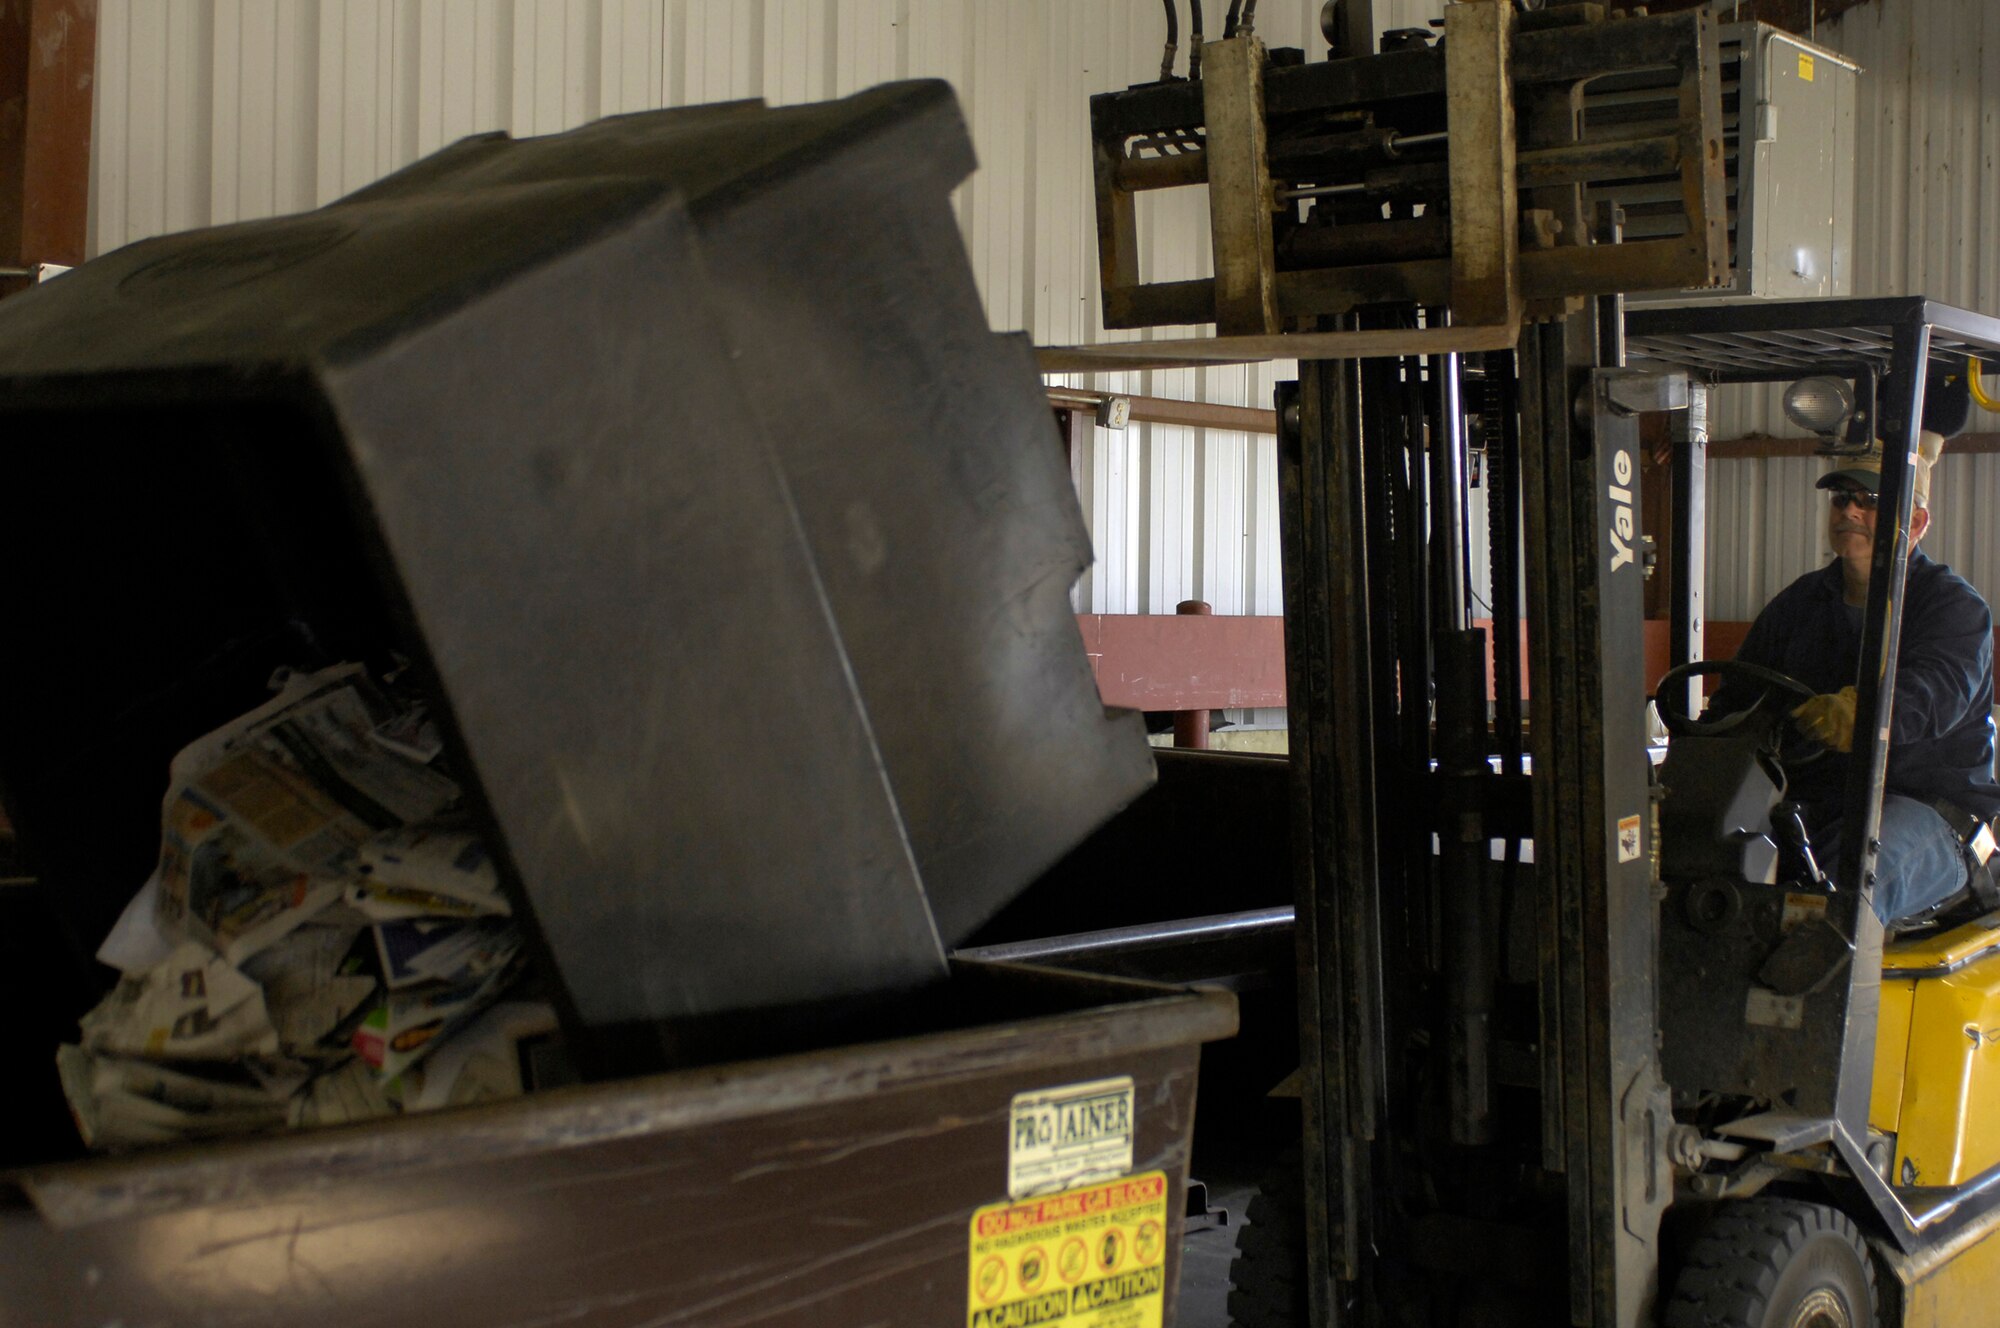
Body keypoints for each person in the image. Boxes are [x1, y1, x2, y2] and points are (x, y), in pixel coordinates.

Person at [1722, 409, 1999, 927]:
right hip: (1821, 800)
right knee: (1709, 858)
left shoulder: (1952, 608)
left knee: (1835, 898)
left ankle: (1803, 1000)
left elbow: (1931, 695)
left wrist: (1858, 712)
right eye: (1842, 498)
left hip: (1927, 810)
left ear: (1915, 522)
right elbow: (1739, 694)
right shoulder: (1801, 602)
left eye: (1869, 501)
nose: (1850, 510)